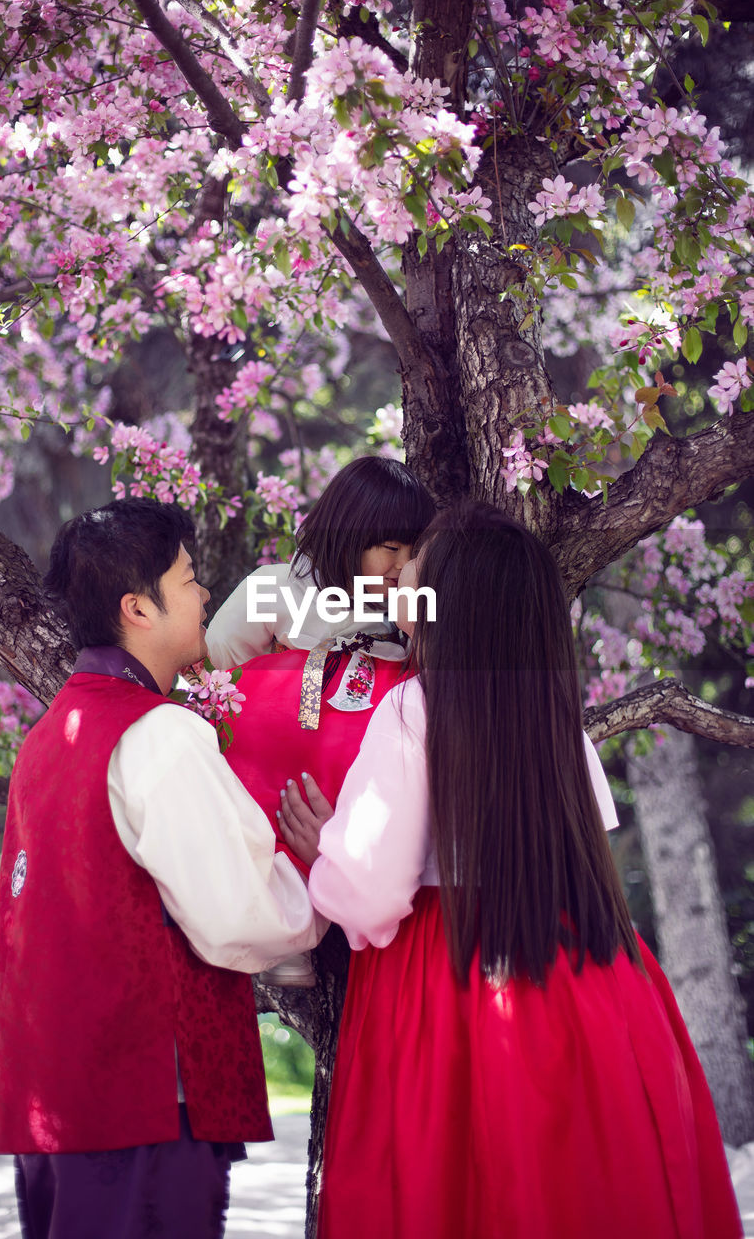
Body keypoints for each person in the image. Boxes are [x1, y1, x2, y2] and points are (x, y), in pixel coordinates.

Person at [278, 501, 743, 1239]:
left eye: (414, 580)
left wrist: (322, 857)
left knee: (464, 1186)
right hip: (591, 978)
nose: (398, 592)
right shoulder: (557, 722)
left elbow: (368, 895)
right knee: (581, 1186)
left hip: (450, 977)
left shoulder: (410, 712)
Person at [0, 498, 324, 1239]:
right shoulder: (158, 732)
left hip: (59, 1095)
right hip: (143, 1096)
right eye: (191, 578)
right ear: (137, 608)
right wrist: (325, 871)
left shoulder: (49, 736)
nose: (207, 595)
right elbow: (237, 915)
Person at [206, 455, 435, 984]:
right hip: (279, 754)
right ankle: (281, 930)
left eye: (413, 552)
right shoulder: (279, 585)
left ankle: (336, 904)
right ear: (350, 535)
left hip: (356, 770)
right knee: (267, 824)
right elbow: (217, 662)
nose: (401, 565)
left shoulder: (408, 612)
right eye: (390, 548)